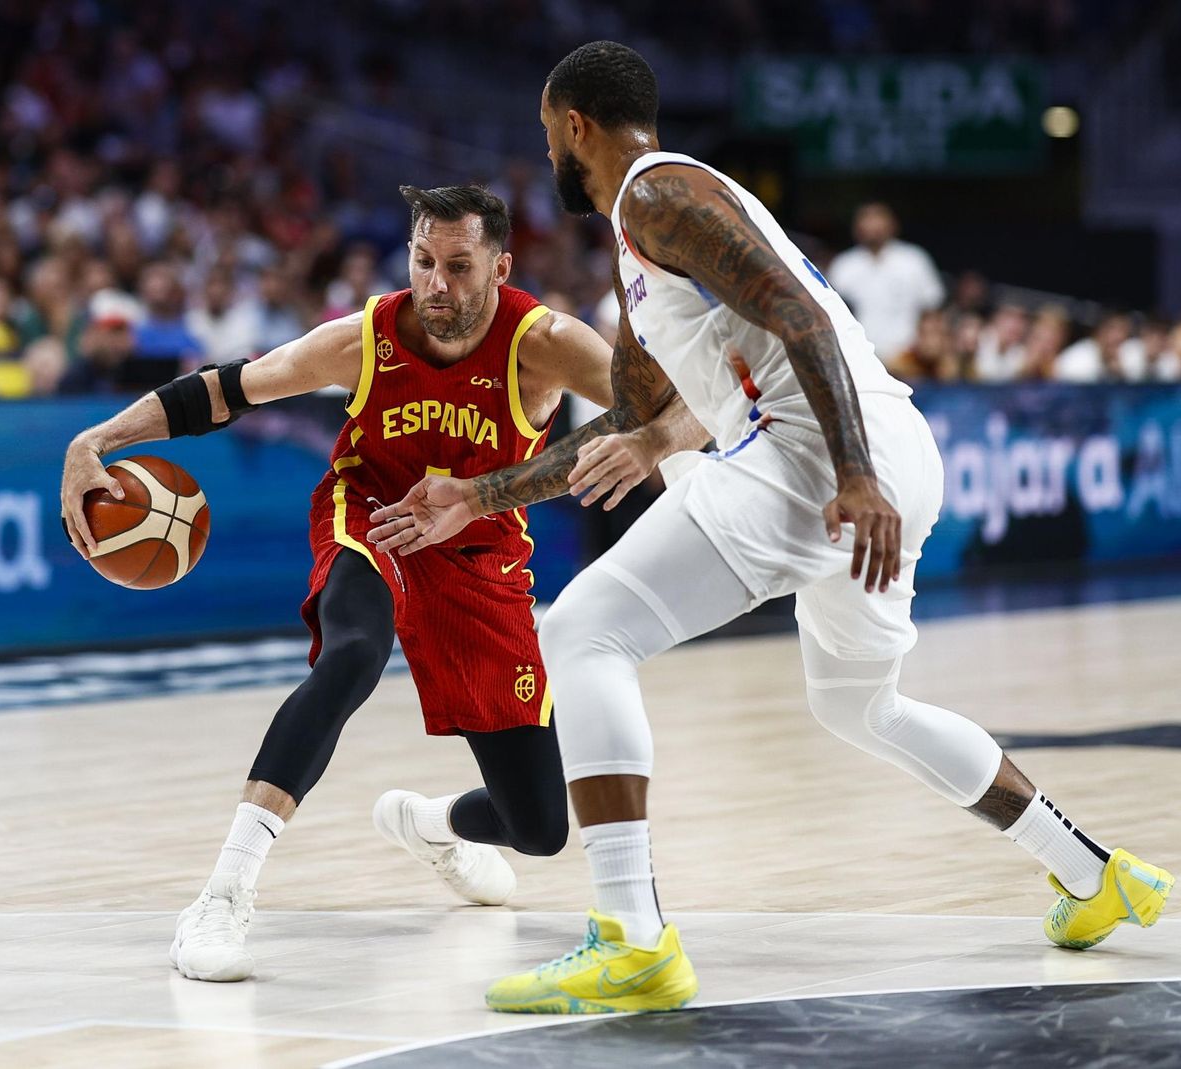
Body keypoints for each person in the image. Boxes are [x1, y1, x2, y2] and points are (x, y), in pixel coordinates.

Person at [369, 42, 1176, 1015]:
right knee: (860, 705)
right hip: (870, 452)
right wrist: (476, 494)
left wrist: (851, 473)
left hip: (821, 457)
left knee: (586, 632)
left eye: (549, 140)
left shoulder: (656, 193)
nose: (549, 162)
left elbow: (799, 312)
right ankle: (1092, 874)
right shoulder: (645, 256)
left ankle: (630, 940)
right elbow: (630, 420)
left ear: (575, 125)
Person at [59, 184, 708, 984]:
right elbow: (231, 388)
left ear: (500, 267)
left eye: (460, 267)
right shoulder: (365, 338)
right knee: (353, 656)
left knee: (539, 827)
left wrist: (661, 452)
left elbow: (691, 407)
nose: (438, 284)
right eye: (424, 262)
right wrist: (98, 436)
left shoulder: (544, 343)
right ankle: (223, 893)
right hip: (374, 516)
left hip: (479, 548)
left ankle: (434, 824)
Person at [825, 202, 944, 361]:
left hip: (908, 356)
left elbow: (932, 307)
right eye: (867, 219)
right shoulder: (844, 265)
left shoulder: (914, 260)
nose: (873, 226)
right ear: (856, 227)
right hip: (858, 357)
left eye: (878, 219)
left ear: (892, 225)